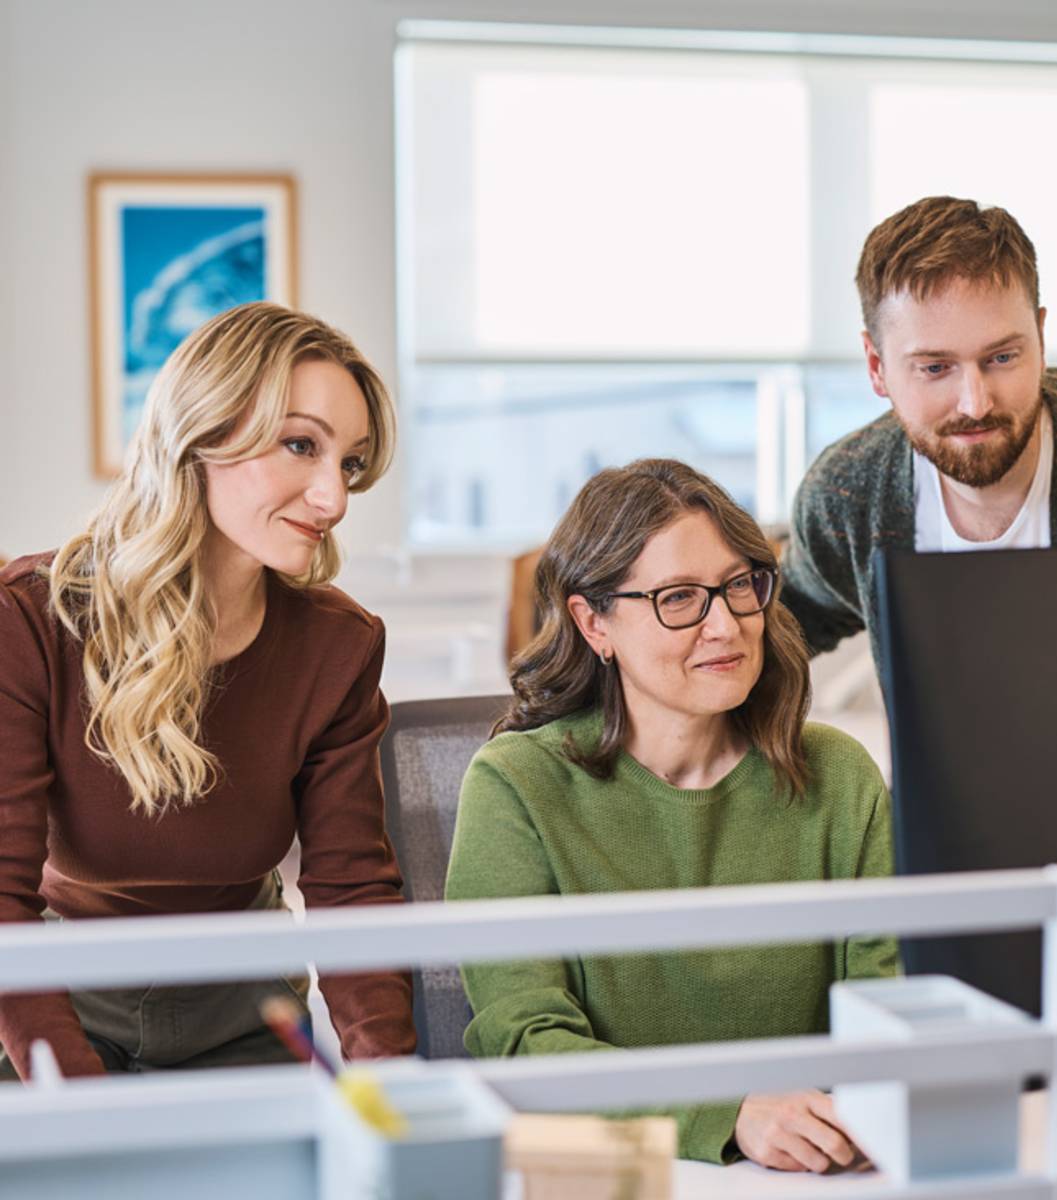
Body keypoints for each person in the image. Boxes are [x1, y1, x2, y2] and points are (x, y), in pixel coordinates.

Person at [0, 302, 416, 1081]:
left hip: (244, 1008)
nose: (334, 499)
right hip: (46, 1002)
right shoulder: (29, 619)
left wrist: (392, 1087)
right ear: (201, 435)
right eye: (300, 445)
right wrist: (77, 1097)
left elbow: (351, 885)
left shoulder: (339, 644)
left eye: (350, 463)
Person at [445, 458, 897, 1171]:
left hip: (808, 1175)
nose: (725, 626)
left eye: (740, 586)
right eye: (679, 598)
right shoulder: (517, 785)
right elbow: (522, 1039)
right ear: (594, 623)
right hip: (618, 1173)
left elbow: (889, 1008)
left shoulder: (838, 774)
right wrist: (729, 1112)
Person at [782, 195, 1057, 666]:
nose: (975, 403)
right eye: (936, 367)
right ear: (877, 366)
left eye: (1001, 358)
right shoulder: (847, 493)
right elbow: (780, 633)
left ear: (1040, 340)